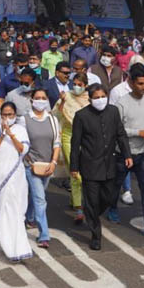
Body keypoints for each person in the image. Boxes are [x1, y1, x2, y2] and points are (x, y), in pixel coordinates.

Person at [70, 84, 133, 250]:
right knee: (92, 200)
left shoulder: (113, 111)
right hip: (89, 165)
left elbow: (121, 134)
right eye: (96, 97)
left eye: (102, 96)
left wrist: (127, 154)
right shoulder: (81, 116)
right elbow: (75, 144)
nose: (100, 100)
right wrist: (74, 166)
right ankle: (95, 235)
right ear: (90, 99)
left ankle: (92, 214)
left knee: (108, 197)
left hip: (109, 164)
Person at [0, 101, 34, 261]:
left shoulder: (20, 130)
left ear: (15, 115)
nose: (7, 118)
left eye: (10, 115)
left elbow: (23, 150)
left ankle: (13, 247)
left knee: (13, 209)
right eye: (4, 115)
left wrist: (11, 134)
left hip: (15, 175)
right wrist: (2, 134)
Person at [113, 66, 144, 239]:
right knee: (116, 184)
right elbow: (116, 130)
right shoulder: (121, 103)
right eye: (140, 83)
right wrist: (137, 132)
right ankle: (112, 208)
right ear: (131, 82)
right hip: (124, 153)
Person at [23, 89, 61, 249]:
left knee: (38, 195)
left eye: (43, 98)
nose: (40, 101)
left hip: (48, 165)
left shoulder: (52, 119)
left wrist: (54, 162)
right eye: (37, 98)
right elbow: (22, 144)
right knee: (40, 199)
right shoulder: (24, 120)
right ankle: (44, 234)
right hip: (31, 165)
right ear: (31, 100)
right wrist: (29, 161)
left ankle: (30, 217)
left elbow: (56, 143)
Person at [54, 72, 91, 223]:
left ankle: (75, 199)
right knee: (75, 171)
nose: (76, 87)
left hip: (86, 137)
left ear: (85, 86)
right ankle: (79, 208)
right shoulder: (66, 96)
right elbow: (55, 114)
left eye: (79, 85)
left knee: (85, 169)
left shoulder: (90, 99)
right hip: (69, 136)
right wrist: (62, 102)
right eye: (74, 84)